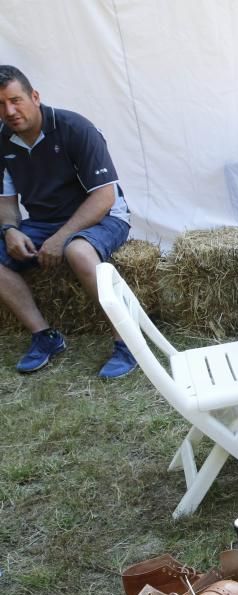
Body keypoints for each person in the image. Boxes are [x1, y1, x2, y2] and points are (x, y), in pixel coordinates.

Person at [0, 65, 136, 378]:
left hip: (102, 216)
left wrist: (61, 238)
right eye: (0, 104)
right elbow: (6, 202)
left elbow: (104, 198)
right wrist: (9, 230)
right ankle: (45, 336)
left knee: (77, 251)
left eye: (15, 100)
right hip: (44, 221)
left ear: (34, 96)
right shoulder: (2, 140)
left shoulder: (75, 128)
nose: (9, 110)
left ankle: (127, 341)